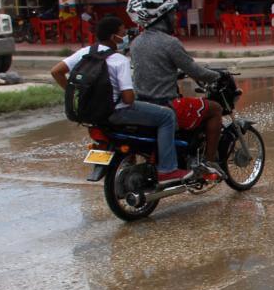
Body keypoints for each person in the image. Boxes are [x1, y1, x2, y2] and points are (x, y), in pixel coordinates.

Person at [50, 15, 192, 183]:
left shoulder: (85, 52)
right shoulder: (119, 60)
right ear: (113, 37)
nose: (126, 36)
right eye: (123, 33)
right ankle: (168, 169)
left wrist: (73, 93)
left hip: (93, 112)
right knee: (167, 115)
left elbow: (56, 71)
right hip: (116, 112)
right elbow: (128, 98)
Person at [125, 0, 226, 180]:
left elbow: (155, 67)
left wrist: (174, 74)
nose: (176, 18)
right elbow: (195, 70)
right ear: (161, 17)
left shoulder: (136, 43)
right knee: (215, 109)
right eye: (172, 14)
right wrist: (217, 76)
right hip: (168, 105)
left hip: (144, 105)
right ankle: (209, 162)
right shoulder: (170, 43)